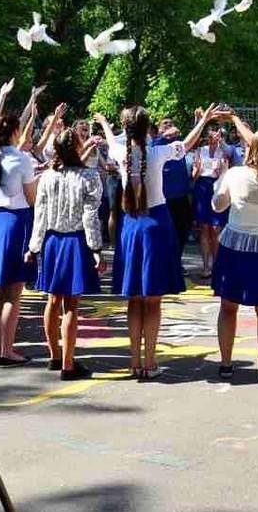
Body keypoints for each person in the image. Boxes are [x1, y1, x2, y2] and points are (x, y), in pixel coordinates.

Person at [94, 105, 219, 380]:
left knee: (134, 299)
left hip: (130, 226)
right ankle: (150, 361)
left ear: (125, 129)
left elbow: (112, 140)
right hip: (157, 224)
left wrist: (103, 122)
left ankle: (135, 361)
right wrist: (203, 121)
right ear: (148, 128)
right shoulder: (157, 152)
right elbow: (185, 144)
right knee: (153, 300)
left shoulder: (120, 152)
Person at [211, 121, 258, 383]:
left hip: (234, 245)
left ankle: (226, 364)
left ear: (251, 149)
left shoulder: (235, 174)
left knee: (228, 307)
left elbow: (218, 206)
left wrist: (220, 177)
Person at [27, 128, 103, 381]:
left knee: (52, 299)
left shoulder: (48, 177)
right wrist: (95, 248)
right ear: (78, 148)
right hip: (75, 241)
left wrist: (33, 246)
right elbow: (90, 215)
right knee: (71, 304)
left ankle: (55, 355)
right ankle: (68, 365)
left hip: (52, 240)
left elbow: (41, 214)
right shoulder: (89, 176)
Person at [0, 112, 38, 367]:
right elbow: (32, 197)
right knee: (14, 292)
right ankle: (7, 350)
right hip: (17, 221)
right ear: (15, 131)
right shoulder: (21, 159)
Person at [153, 116, 193, 265]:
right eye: (165, 124)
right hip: (164, 198)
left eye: (172, 123)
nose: (170, 125)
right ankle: (163, 262)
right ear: (159, 128)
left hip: (182, 196)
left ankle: (176, 261)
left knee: (182, 230)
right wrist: (165, 136)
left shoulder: (179, 145)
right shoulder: (156, 145)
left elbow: (192, 140)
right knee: (165, 232)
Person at [192, 127, 231, 277]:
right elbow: (194, 176)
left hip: (218, 187)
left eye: (216, 135)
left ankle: (217, 265)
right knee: (205, 227)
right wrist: (199, 168)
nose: (213, 137)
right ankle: (206, 266)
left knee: (216, 228)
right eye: (210, 135)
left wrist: (221, 170)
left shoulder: (224, 152)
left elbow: (227, 173)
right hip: (202, 188)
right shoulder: (200, 151)